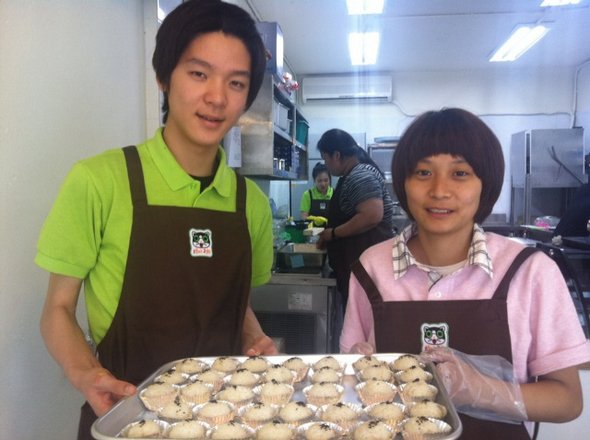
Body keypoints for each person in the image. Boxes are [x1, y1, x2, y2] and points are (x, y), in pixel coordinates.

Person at [36, 1, 277, 439]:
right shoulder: (100, 181)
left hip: (225, 421)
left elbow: (236, 306)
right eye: (199, 73)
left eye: (236, 82)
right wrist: (86, 374)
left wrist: (254, 339)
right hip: (125, 415)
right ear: (164, 77)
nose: (217, 97)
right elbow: (56, 310)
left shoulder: (251, 205)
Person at [340, 108, 590, 439]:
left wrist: (479, 390)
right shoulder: (370, 268)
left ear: (485, 184)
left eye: (460, 173)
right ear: (403, 182)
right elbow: (349, 385)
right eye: (423, 172)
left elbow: (568, 401)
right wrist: (355, 374)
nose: (440, 190)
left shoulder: (530, 272)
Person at [316, 129, 395, 310]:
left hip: (367, 272)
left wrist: (333, 234)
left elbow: (372, 215)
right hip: (361, 270)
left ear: (337, 155)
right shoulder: (353, 174)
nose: (326, 164)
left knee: (366, 330)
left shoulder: (360, 176)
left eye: (325, 158)